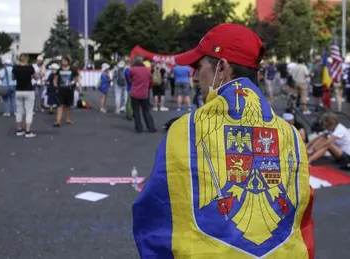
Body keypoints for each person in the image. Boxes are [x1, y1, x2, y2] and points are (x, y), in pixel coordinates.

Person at [133, 23, 314, 259]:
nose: (195, 76)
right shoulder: (290, 133)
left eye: (199, 66)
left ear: (222, 67)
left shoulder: (185, 129)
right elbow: (303, 220)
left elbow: (155, 214)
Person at [12, 53, 38, 138]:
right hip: (28, 90)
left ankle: (19, 129)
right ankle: (28, 131)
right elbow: (36, 77)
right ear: (27, 59)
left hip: (18, 90)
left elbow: (13, 78)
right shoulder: (30, 68)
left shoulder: (15, 67)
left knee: (19, 110)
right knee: (29, 111)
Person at [129, 55, 156, 133]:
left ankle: (139, 128)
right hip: (144, 93)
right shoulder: (147, 70)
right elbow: (150, 78)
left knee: (136, 111)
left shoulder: (133, 70)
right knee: (146, 111)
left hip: (134, 93)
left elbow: (130, 79)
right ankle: (151, 127)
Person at [53, 56, 79, 127]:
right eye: (62, 61)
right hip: (61, 89)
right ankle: (58, 121)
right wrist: (55, 84)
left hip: (69, 89)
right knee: (60, 104)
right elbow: (55, 78)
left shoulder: (72, 69)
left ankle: (68, 119)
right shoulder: (59, 70)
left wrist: (72, 82)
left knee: (67, 105)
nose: (63, 62)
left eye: (65, 61)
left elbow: (76, 78)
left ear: (68, 62)